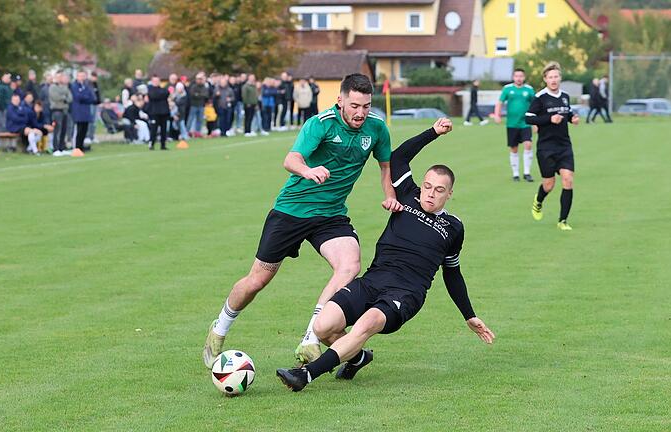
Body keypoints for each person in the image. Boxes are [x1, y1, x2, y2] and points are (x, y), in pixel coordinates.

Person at [276, 118, 495, 391]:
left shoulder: (453, 227)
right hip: (374, 280)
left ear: (449, 194)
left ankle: (305, 375)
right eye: (427, 186)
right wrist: (433, 133)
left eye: (439, 190)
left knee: (365, 325)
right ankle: (357, 358)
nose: (430, 194)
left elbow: (452, 273)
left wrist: (469, 314)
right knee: (323, 327)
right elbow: (398, 157)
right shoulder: (406, 194)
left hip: (405, 294)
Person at [202, 73, 401, 369]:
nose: (361, 112)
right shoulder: (319, 124)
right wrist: (308, 171)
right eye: (355, 105)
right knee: (257, 280)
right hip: (292, 211)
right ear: (341, 100)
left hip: (331, 215)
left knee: (350, 265)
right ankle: (219, 328)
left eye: (366, 106)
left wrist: (390, 195)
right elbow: (291, 159)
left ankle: (310, 339)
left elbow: (386, 167)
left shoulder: (377, 129)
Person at [525, 62, 579, 231]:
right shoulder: (540, 98)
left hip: (564, 146)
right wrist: (549, 119)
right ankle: (538, 201)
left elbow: (566, 112)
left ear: (560, 78)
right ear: (545, 79)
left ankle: (563, 221)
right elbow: (529, 118)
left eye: (556, 76)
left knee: (568, 180)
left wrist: (572, 118)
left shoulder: (565, 96)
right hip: (546, 147)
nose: (553, 80)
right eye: (550, 77)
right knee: (549, 184)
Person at [494, 68, 536, 182]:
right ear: (513, 77)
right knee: (514, 148)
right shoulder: (508, 89)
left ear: (524, 77)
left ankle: (527, 172)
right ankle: (516, 174)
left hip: (526, 123)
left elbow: (536, 104)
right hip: (512, 124)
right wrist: (497, 115)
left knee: (528, 144)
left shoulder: (529, 90)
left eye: (521, 76)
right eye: (517, 76)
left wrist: (536, 121)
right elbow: (500, 102)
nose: (519, 78)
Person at [70, 70, 97, 151]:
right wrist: (85, 96)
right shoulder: (74, 86)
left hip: (86, 111)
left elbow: (92, 98)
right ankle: (77, 147)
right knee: (79, 129)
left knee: (84, 130)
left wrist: (85, 96)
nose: (82, 78)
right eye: (80, 76)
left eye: (83, 76)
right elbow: (78, 97)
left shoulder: (87, 86)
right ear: (77, 76)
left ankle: (81, 146)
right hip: (78, 111)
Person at [49, 72, 73, 156]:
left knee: (64, 130)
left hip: (64, 110)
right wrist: (64, 97)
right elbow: (55, 97)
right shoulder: (52, 87)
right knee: (57, 130)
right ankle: (55, 149)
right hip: (56, 110)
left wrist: (64, 97)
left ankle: (61, 148)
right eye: (59, 77)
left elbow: (70, 97)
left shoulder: (65, 87)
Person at [146, 75, 170, 150]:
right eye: (154, 81)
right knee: (154, 129)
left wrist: (160, 95)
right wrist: (160, 95)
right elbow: (153, 96)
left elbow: (166, 93)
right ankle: (151, 143)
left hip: (164, 112)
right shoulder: (150, 90)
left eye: (157, 81)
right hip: (154, 112)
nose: (156, 82)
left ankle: (163, 145)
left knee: (164, 130)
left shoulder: (163, 89)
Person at [187, 73, 208, 137]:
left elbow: (205, 95)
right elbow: (192, 94)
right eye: (198, 79)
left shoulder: (204, 87)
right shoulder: (194, 86)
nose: (199, 81)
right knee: (190, 119)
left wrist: (198, 94)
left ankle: (197, 133)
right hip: (194, 105)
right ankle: (187, 132)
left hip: (201, 105)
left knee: (200, 120)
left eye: (200, 79)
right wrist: (199, 95)